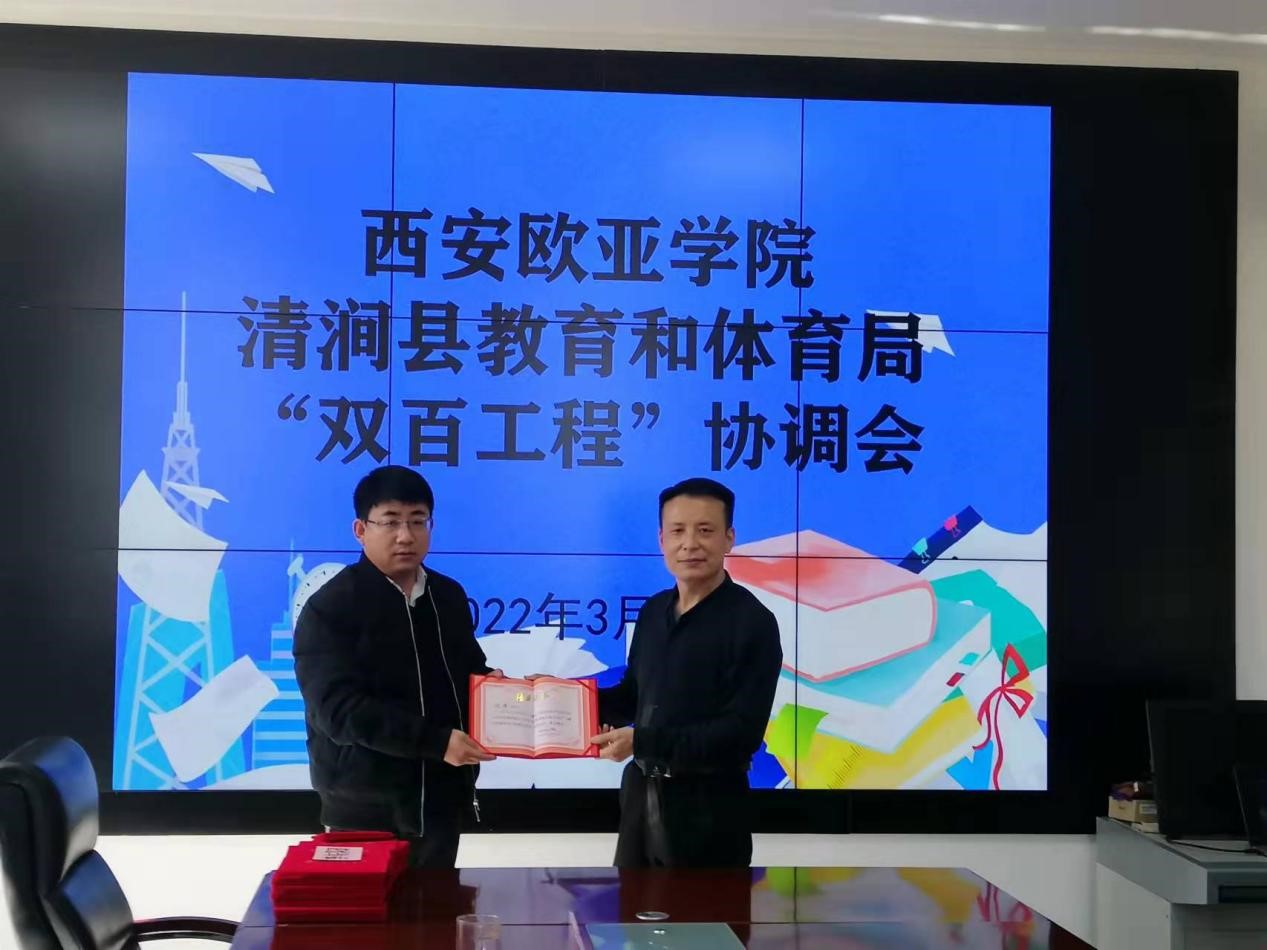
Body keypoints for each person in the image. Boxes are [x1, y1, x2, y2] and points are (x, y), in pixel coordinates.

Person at [293, 464, 500, 867]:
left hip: (442, 801)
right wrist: (435, 742)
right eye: (390, 522)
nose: (406, 535)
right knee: (366, 910)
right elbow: (336, 711)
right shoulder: (330, 607)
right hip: (363, 809)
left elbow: (466, 672)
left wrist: (501, 692)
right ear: (360, 530)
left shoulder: (447, 596)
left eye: (418, 521)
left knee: (436, 906)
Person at [590, 477, 782, 867]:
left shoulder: (752, 622)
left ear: (729, 539)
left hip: (709, 814)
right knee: (632, 905)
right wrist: (561, 701)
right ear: (662, 540)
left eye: (705, 530)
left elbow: (741, 734)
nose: (690, 544)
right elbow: (632, 696)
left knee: (707, 909)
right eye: (677, 531)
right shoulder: (653, 612)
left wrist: (643, 742)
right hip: (639, 805)